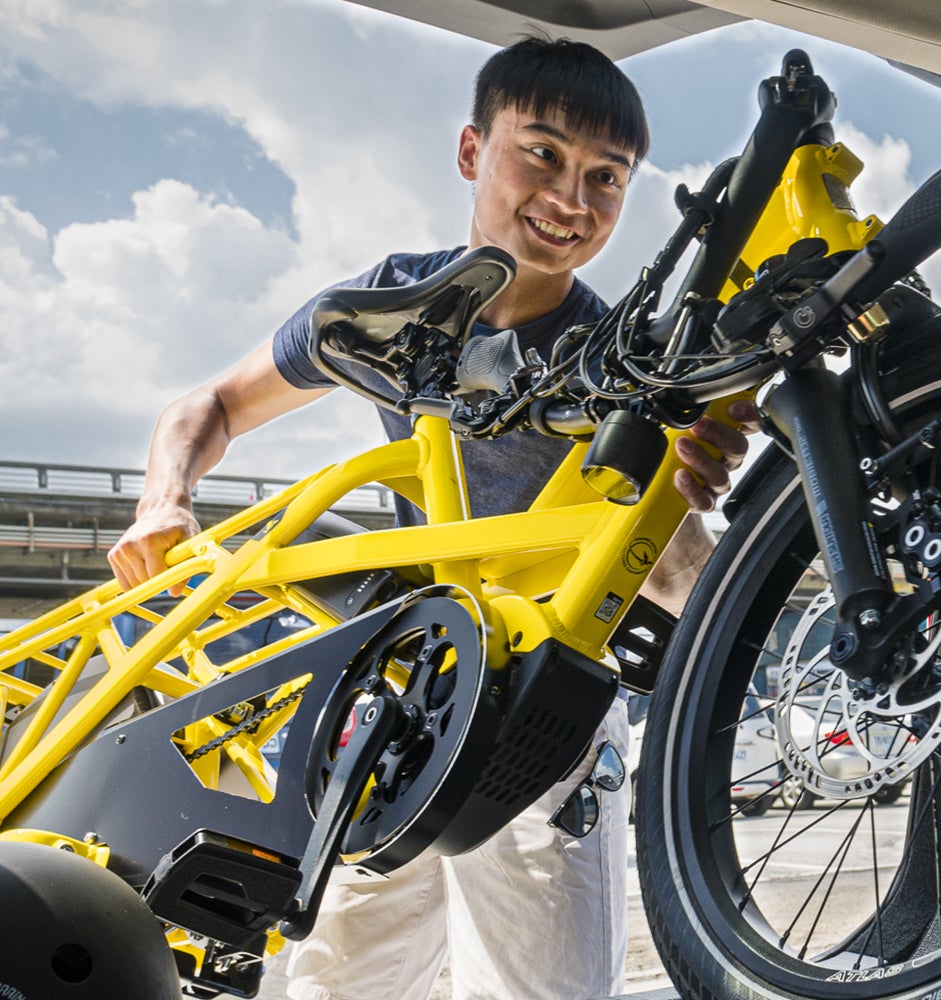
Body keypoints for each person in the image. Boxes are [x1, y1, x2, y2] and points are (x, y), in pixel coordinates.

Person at [105, 37, 755, 1000]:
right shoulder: (392, 309)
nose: (572, 198)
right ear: (471, 150)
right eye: (541, 153)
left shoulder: (625, 361)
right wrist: (167, 496)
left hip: (550, 708)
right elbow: (209, 407)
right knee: (332, 985)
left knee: (544, 993)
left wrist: (688, 494)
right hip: (406, 692)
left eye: (606, 177)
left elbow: (673, 573)